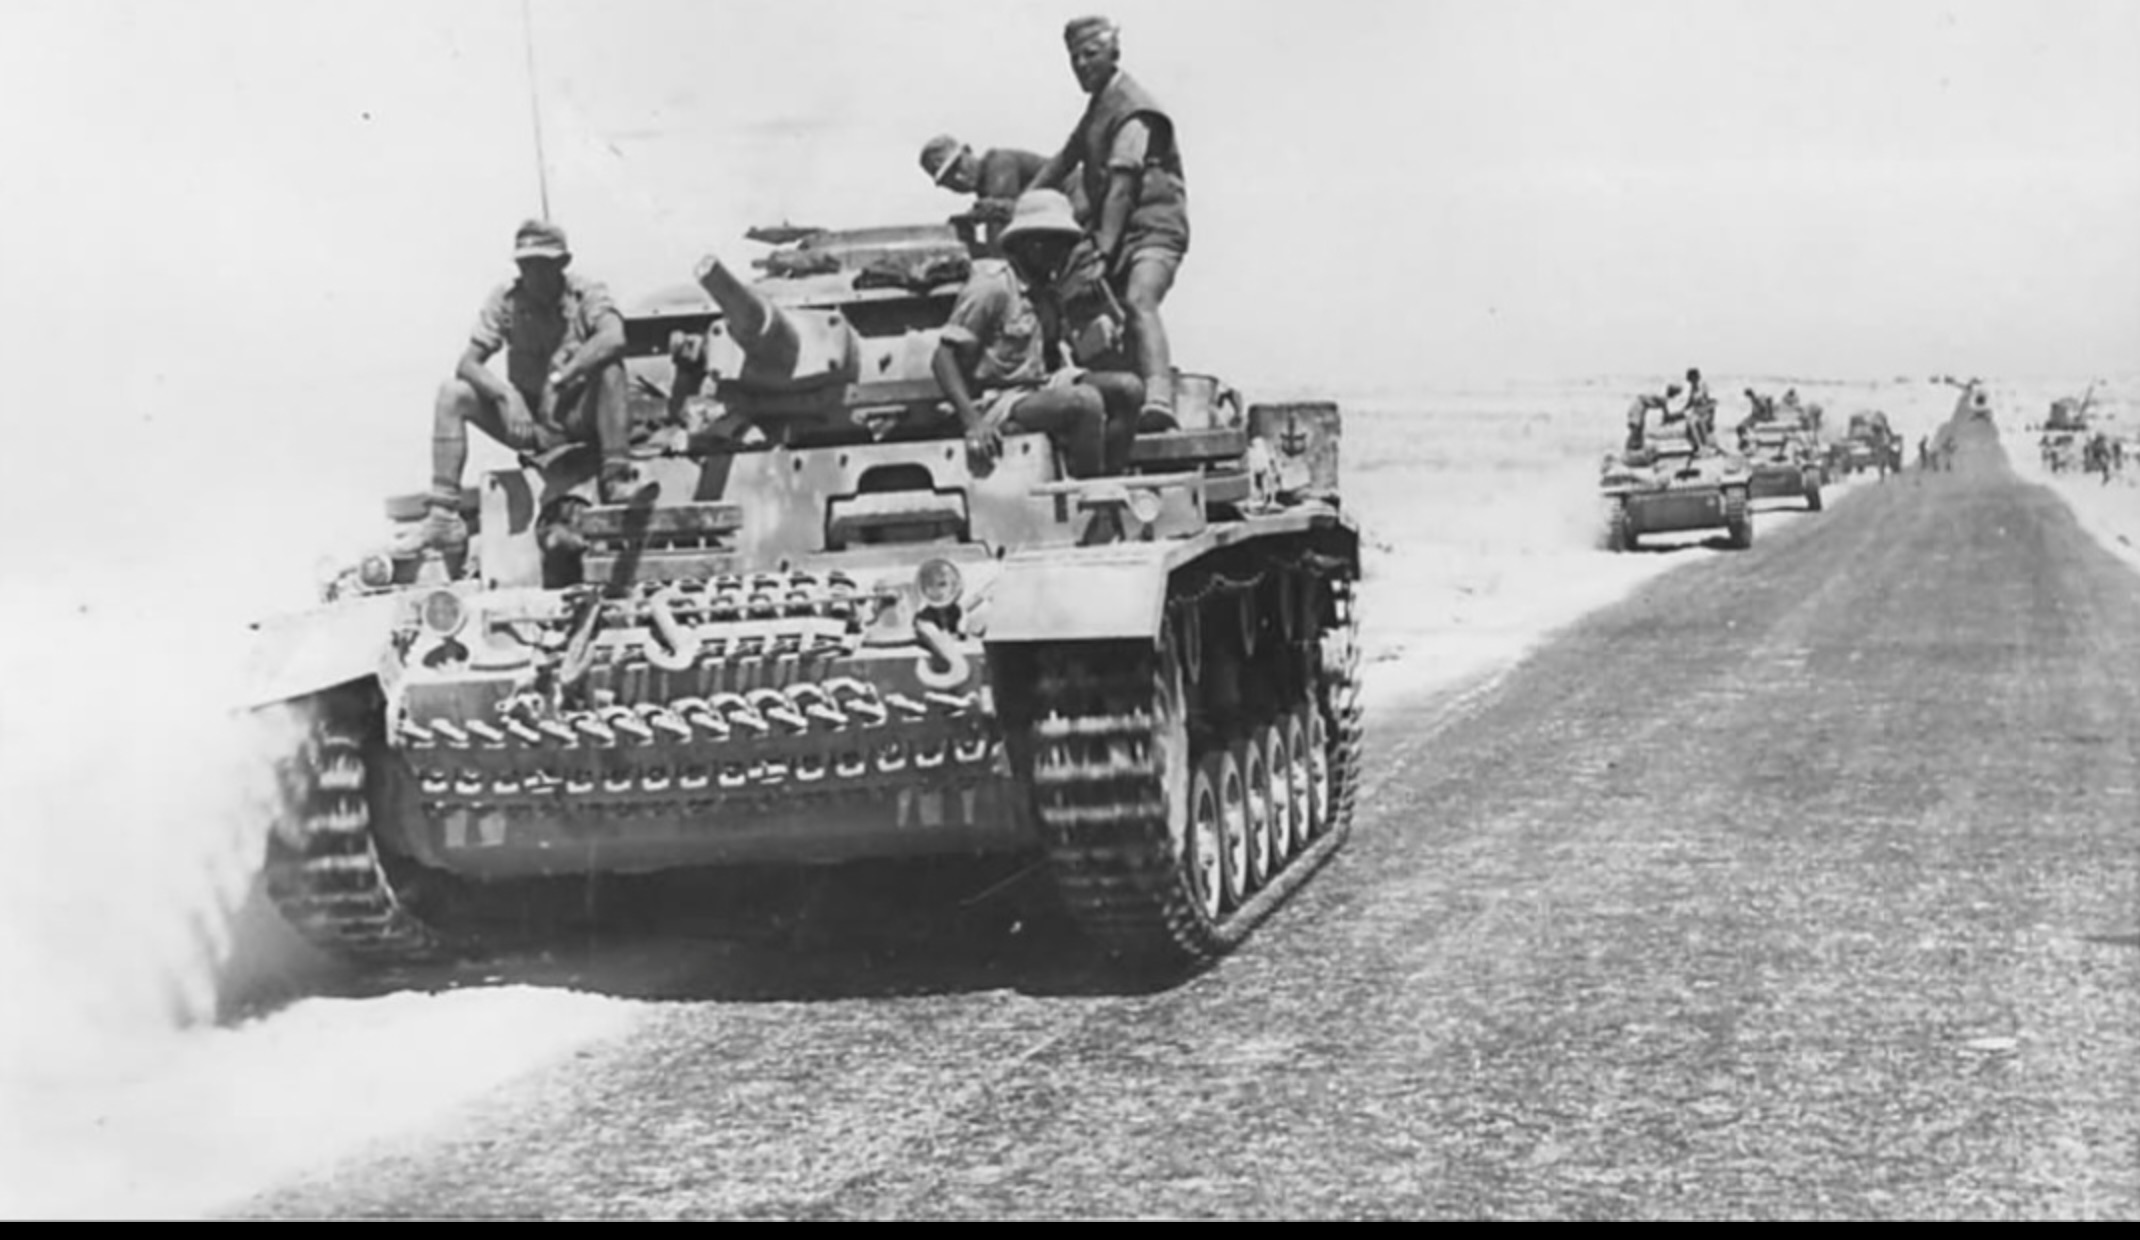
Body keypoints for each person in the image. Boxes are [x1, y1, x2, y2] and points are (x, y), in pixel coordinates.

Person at [401, 219, 639, 559]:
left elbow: (613, 337)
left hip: (579, 419)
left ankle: (616, 476)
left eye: (543, 265)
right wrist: (505, 394)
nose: (534, 274)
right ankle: (443, 516)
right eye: (526, 265)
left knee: (611, 367)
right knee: (452, 393)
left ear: (562, 263)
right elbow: (468, 363)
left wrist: (563, 377)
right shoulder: (507, 301)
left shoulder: (586, 294)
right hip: (531, 423)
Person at [1030, 15, 1190, 426]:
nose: (1082, 64)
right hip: (1120, 233)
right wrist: (1025, 200)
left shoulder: (1134, 108)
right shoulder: (1098, 107)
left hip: (1155, 229)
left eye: (1091, 54)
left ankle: (1159, 397)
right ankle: (1123, 404)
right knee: (1098, 318)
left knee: (1139, 299)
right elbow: (1066, 158)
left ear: (1113, 54)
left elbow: (1121, 187)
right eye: (1074, 58)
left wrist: (1102, 248)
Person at [931, 190, 1142, 478]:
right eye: (1048, 241)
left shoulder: (1048, 289)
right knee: (1085, 402)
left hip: (1041, 385)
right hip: (999, 400)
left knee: (1128, 389)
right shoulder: (993, 286)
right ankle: (1090, 495)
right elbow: (943, 358)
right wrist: (973, 422)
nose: (1058, 251)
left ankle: (1111, 477)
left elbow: (1054, 357)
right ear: (1025, 243)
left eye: (1063, 243)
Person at [919, 136, 1049, 254]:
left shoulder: (999, 164)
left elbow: (1000, 252)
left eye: (958, 166)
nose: (959, 178)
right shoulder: (985, 187)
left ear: (968, 151)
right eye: (949, 178)